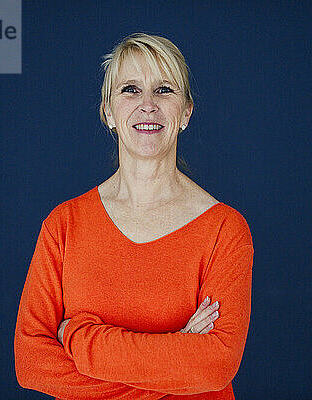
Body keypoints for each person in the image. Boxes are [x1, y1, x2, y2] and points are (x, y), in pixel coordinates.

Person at [14, 33, 254, 399]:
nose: (147, 105)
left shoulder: (224, 230)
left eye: (164, 90)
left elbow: (215, 366)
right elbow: (31, 362)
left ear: (186, 112)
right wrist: (174, 361)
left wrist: (79, 337)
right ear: (108, 112)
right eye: (130, 89)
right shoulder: (64, 224)